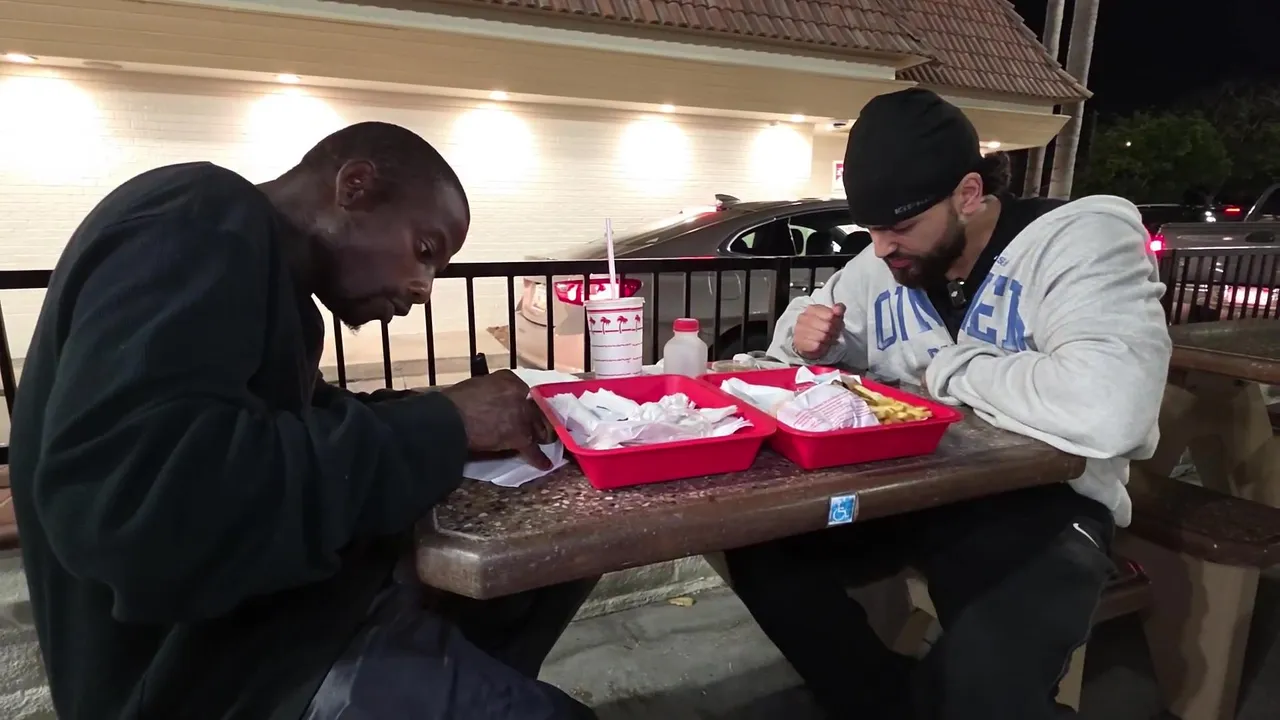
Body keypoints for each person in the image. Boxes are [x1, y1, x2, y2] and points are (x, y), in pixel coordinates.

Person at [8, 122, 597, 720]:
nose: (423, 289)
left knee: (534, 590)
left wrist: (445, 413)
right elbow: (145, 500)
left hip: (269, 621)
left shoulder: (280, 292)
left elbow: (298, 423)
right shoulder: (198, 215)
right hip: (201, 673)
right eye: (425, 250)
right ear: (355, 186)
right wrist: (448, 425)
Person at [724, 88, 1172, 719]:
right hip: (912, 489)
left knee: (982, 685)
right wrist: (810, 338)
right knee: (761, 548)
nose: (881, 247)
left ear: (967, 194)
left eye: (900, 227)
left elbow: (1110, 408)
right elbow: (788, 357)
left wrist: (947, 368)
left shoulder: (1080, 244)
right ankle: (880, 701)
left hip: (1046, 503)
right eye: (871, 229)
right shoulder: (883, 262)